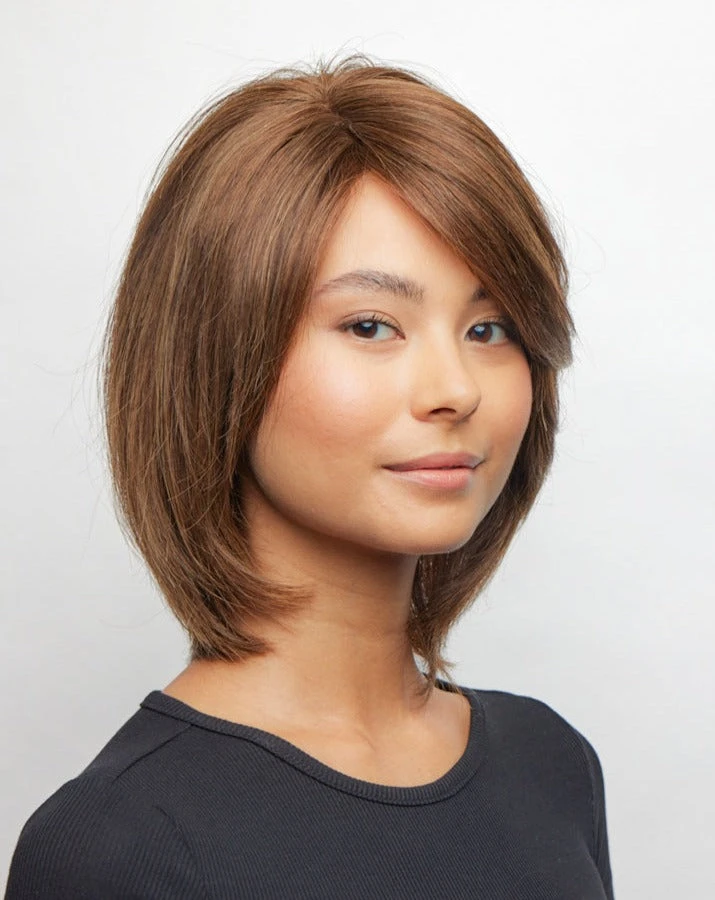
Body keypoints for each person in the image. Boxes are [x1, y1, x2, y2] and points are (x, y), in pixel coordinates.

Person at [5, 55, 614, 899]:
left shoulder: (550, 766)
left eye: (490, 328)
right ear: (217, 355)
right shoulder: (120, 844)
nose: (455, 390)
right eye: (370, 325)